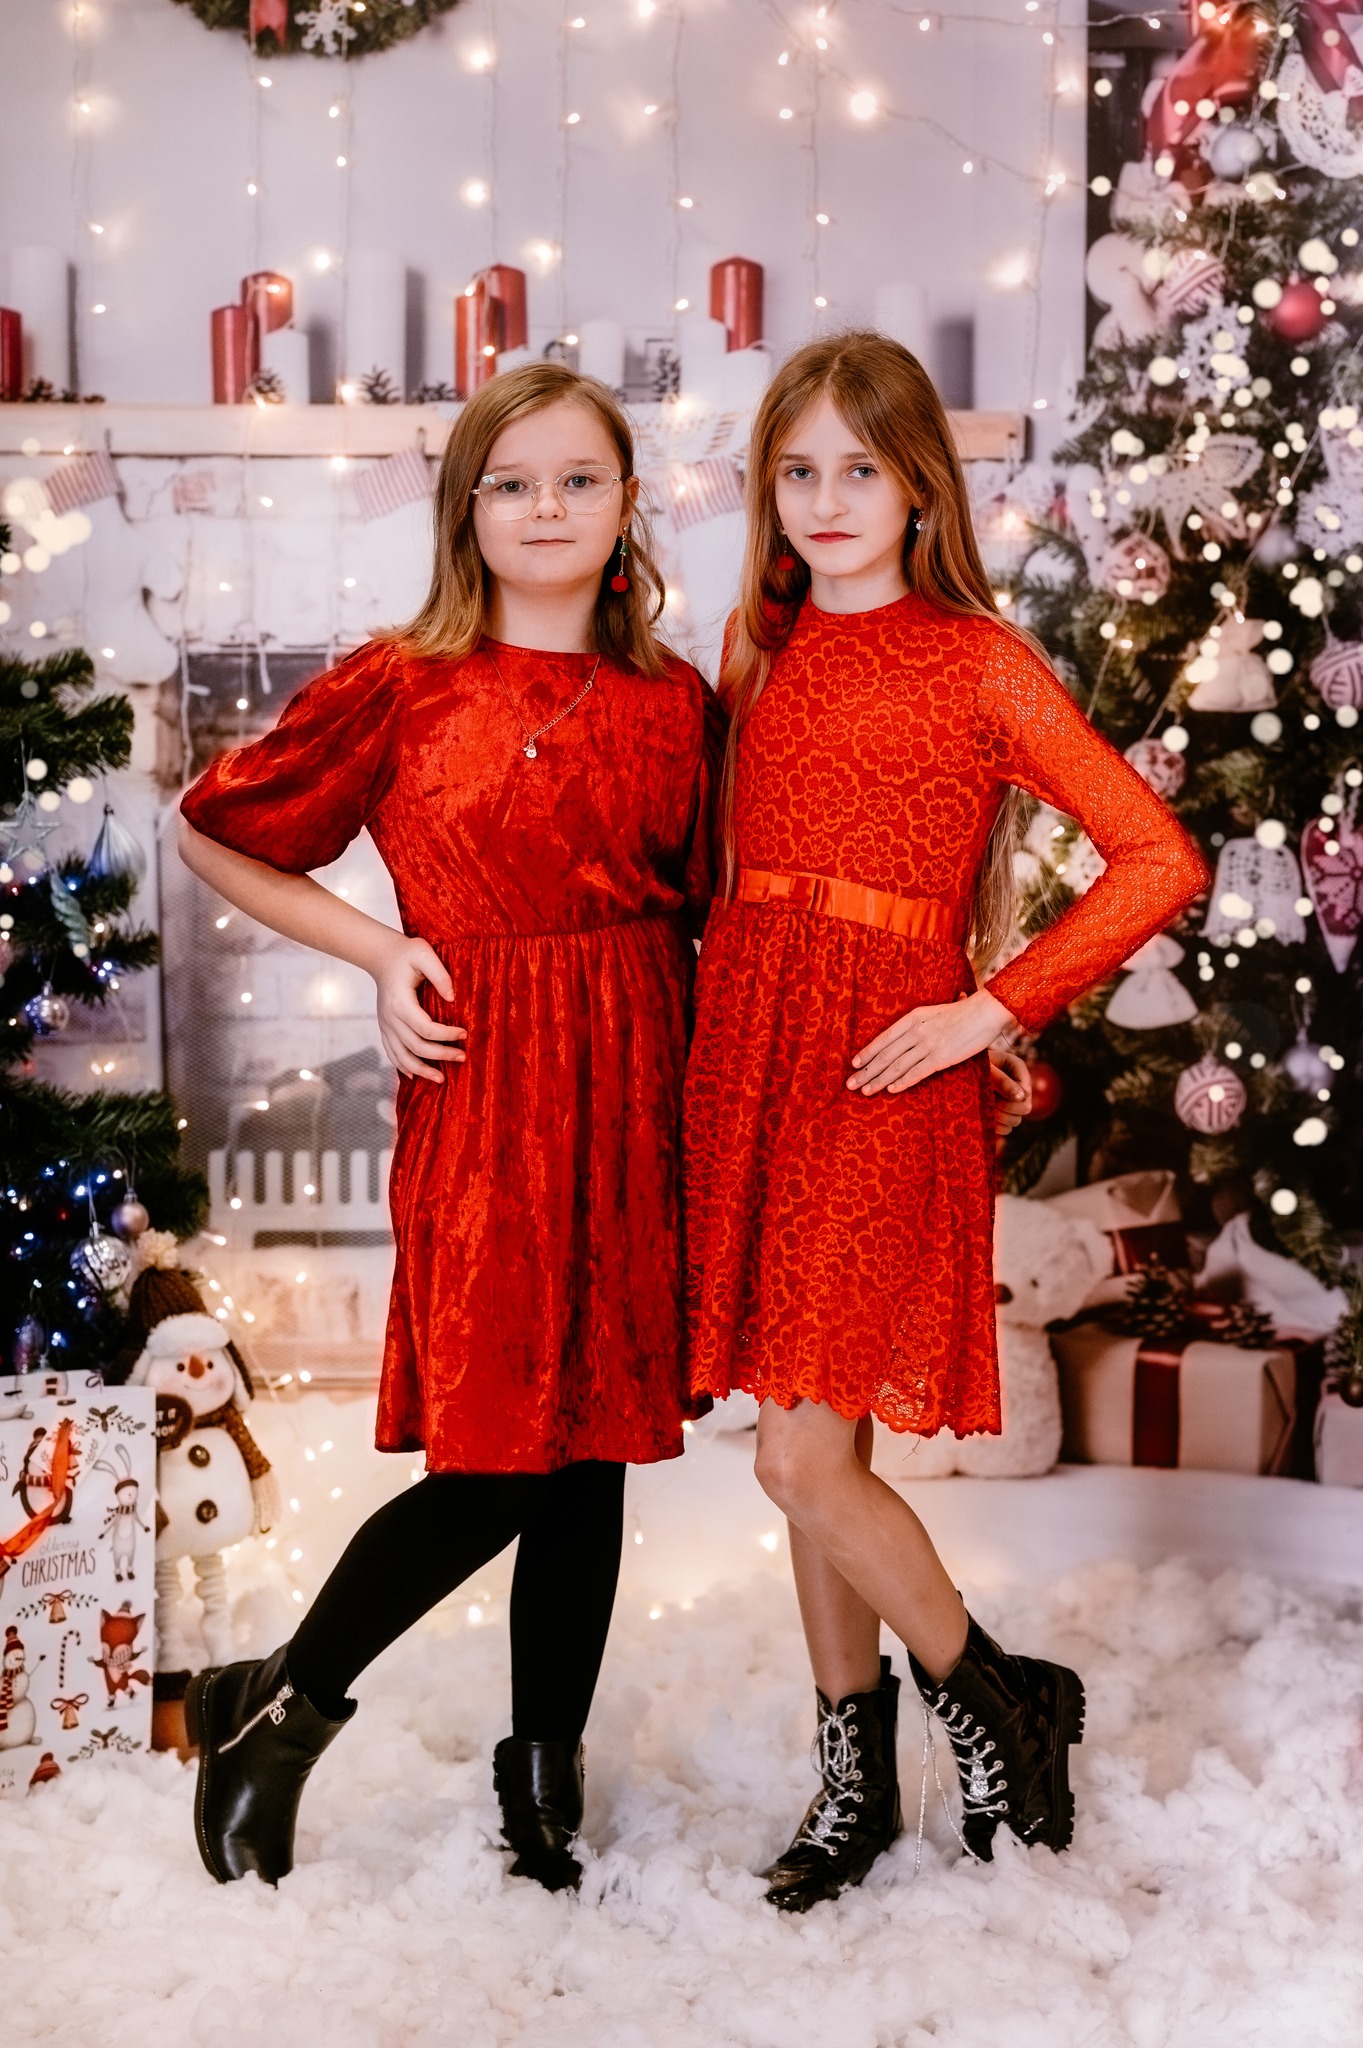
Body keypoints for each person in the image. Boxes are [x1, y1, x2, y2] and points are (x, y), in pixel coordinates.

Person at [176, 361, 723, 1894]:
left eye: (579, 480)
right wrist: (377, 951)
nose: (547, 508)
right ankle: (281, 1709)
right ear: (465, 510)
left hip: (639, 1086)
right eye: (513, 483)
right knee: (500, 1451)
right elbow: (214, 829)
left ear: (627, 506)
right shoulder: (405, 682)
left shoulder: (677, 702)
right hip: (486, 1083)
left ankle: (541, 1782)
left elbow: (714, 907)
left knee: (595, 1450)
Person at [682, 331, 1210, 1913]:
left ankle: (997, 1693)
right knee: (811, 1440)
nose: (827, 498)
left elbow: (1157, 856)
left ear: (921, 484)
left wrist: (993, 1010)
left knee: (796, 1458)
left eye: (861, 467)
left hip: (884, 1070)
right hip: (753, 1057)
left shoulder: (979, 660)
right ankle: (855, 1781)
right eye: (797, 469)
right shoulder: (758, 646)